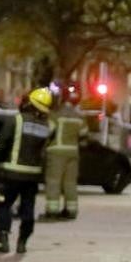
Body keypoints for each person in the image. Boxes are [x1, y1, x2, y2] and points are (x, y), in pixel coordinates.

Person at [0, 88, 54, 253]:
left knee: (4, 205)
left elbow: (2, 143)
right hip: (33, 176)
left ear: (29, 103)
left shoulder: (16, 120)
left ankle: (3, 241)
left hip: (12, 173)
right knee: (28, 208)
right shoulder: (48, 126)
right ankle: (22, 242)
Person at [43, 85, 88, 220]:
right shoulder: (80, 116)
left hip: (56, 151)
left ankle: (52, 211)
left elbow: (48, 131)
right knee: (70, 182)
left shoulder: (55, 114)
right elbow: (84, 134)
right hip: (73, 152)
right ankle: (71, 210)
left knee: (53, 181)